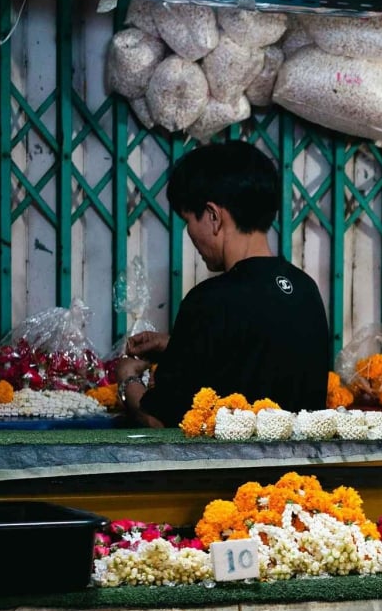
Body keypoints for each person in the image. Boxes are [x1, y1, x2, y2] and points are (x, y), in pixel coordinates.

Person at [113, 141, 331, 428]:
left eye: (188, 220)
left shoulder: (208, 301)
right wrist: (177, 347)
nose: (189, 233)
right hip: (299, 473)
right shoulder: (306, 290)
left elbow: (157, 419)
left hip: (233, 473)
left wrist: (126, 378)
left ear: (213, 217)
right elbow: (258, 353)